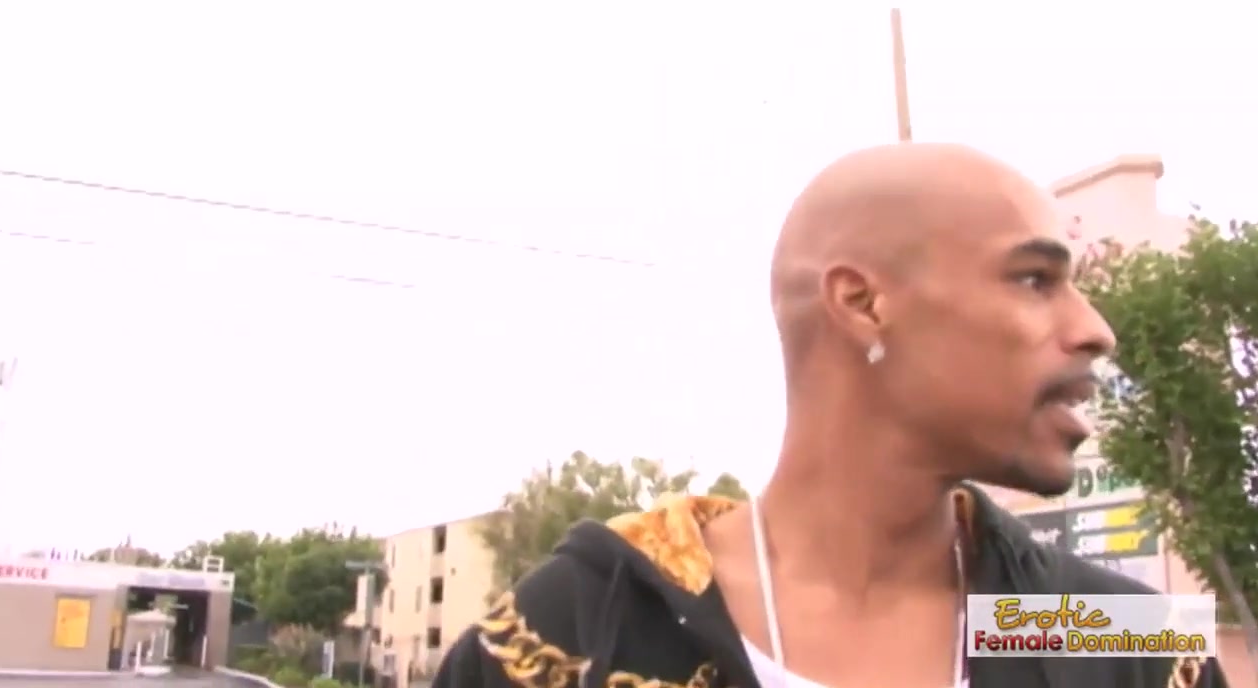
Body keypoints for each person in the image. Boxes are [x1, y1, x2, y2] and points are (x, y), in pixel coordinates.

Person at [434, 143, 1228, 688]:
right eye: (1033, 280)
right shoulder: (568, 635)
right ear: (862, 303)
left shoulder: (1120, 634)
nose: (1095, 329)